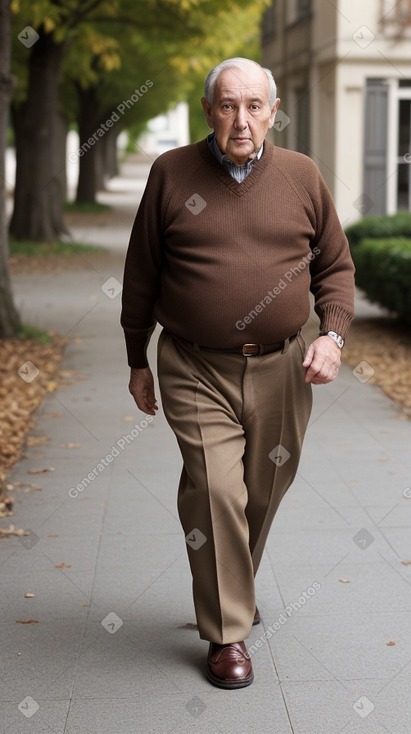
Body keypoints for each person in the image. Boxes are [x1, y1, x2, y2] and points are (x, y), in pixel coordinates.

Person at [121, 57, 355, 689]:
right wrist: (135, 357)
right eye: (228, 105)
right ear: (208, 112)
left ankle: (232, 586)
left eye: (255, 106)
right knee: (217, 490)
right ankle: (228, 634)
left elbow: (335, 266)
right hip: (194, 365)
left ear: (272, 112)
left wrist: (332, 336)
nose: (242, 120)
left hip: (283, 367)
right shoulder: (171, 173)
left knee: (262, 489)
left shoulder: (302, 176)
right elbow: (141, 273)